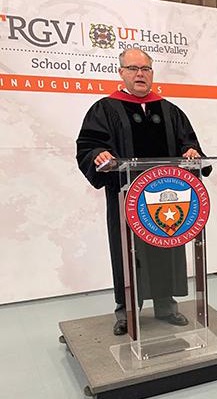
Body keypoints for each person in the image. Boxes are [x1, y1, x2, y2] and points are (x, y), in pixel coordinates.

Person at [76, 48, 208, 335]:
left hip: (165, 198)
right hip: (127, 197)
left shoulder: (169, 110)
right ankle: (125, 312)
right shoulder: (106, 109)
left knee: (166, 245)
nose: (140, 74)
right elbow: (88, 145)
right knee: (126, 251)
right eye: (133, 68)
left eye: (145, 69)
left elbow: (190, 144)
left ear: (152, 73)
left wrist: (191, 151)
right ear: (121, 72)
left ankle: (165, 305)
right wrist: (98, 153)